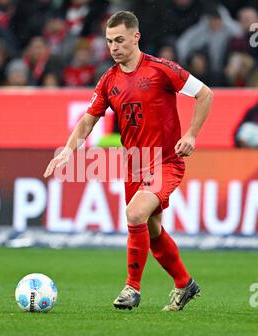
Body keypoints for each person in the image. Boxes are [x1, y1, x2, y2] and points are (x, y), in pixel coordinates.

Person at [44, 11, 214, 312]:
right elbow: (88, 120)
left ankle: (132, 288)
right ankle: (185, 284)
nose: (114, 47)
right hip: (134, 164)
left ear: (136, 37)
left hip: (166, 161)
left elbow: (205, 94)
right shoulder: (109, 80)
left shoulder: (162, 69)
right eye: (109, 41)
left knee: (134, 213)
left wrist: (191, 134)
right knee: (152, 229)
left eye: (119, 40)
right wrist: (69, 149)